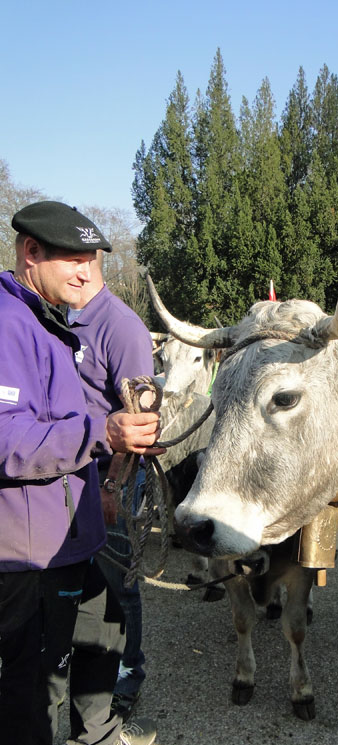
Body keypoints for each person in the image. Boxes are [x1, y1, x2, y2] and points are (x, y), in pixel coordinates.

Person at [0, 201, 164, 745]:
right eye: (70, 258)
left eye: (90, 259)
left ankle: (96, 743)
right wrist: (102, 433)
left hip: (69, 527)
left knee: (106, 623)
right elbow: (7, 440)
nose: (84, 270)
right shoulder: (9, 324)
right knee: (32, 686)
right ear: (30, 253)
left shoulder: (53, 317)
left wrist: (114, 471)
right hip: (31, 547)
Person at [67, 251, 154, 721]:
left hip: (105, 476)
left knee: (118, 583)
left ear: (89, 263)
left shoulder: (121, 327)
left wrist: (113, 488)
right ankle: (82, 664)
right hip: (63, 470)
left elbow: (141, 422)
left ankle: (128, 673)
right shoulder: (61, 316)